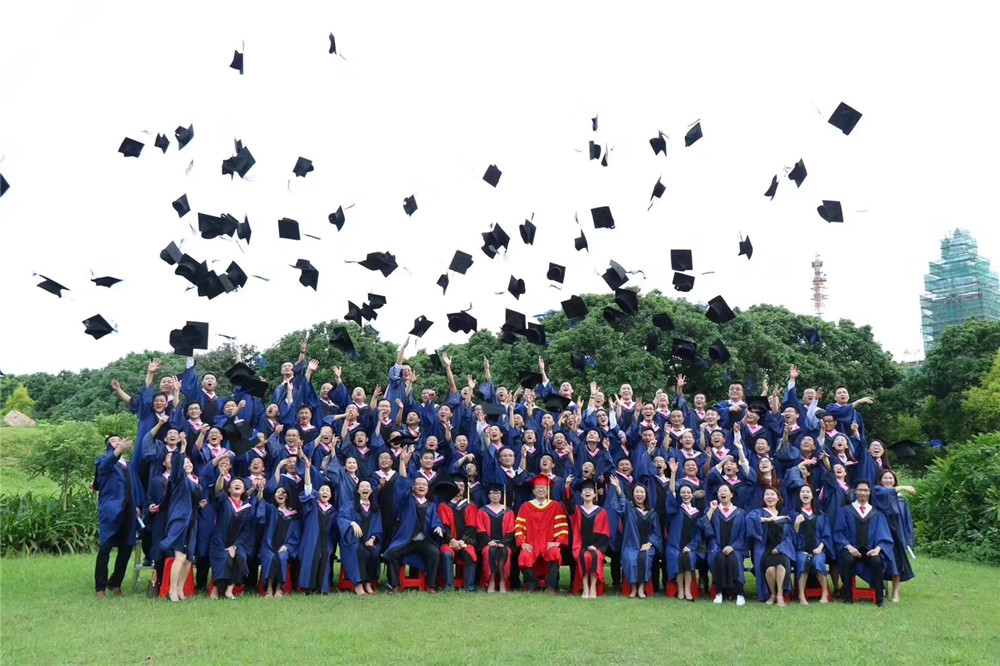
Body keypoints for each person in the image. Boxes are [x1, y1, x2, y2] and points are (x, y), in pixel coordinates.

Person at [383, 447, 445, 593]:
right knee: (392, 553)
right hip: (407, 540)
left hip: (424, 540)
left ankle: (431, 585)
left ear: (428, 488)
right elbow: (403, 482)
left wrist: (437, 526)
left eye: (424, 485)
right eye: (418, 485)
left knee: (435, 552)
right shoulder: (407, 499)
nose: (422, 487)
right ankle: (395, 585)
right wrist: (403, 463)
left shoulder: (430, 505)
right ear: (413, 487)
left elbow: (436, 519)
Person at [833, 480, 895, 606]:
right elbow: (838, 533)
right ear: (855, 491)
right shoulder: (845, 511)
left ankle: (880, 599)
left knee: (877, 561)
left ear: (869, 492)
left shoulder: (877, 514)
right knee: (847, 560)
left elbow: (884, 536)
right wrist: (848, 547)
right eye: (860, 490)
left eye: (865, 490)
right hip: (851, 549)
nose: (863, 492)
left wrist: (877, 549)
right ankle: (848, 597)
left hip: (870, 550)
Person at [94, 435, 142, 598]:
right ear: (107, 446)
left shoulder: (128, 465)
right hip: (111, 510)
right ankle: (100, 587)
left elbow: (135, 486)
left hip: (129, 510)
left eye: (119, 440)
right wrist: (118, 450)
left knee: (127, 547)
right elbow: (106, 463)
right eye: (113, 441)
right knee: (105, 548)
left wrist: (137, 505)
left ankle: (115, 583)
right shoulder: (103, 462)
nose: (117, 442)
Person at [609, 478, 662, 599]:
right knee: (631, 559)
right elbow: (621, 502)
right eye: (637, 492)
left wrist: (650, 543)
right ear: (633, 494)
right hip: (631, 545)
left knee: (644, 558)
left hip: (647, 545)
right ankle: (633, 588)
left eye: (642, 492)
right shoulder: (630, 509)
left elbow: (656, 532)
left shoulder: (652, 513)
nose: (639, 494)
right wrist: (617, 487)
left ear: (646, 495)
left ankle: (641, 588)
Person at [515, 475, 569, 593]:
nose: (541, 490)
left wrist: (557, 543)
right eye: (538, 488)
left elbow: (562, 527)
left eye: (543, 487)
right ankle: (532, 584)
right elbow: (519, 527)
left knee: (555, 553)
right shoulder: (526, 507)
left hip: (549, 543)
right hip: (531, 544)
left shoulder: (555, 506)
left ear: (548, 489)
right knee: (524, 556)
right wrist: (522, 543)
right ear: (533, 491)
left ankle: (551, 586)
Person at [871, 469, 917, 602]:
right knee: (880, 561)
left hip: (897, 533)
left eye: (890, 478)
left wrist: (908, 539)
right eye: (885, 478)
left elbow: (906, 520)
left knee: (897, 563)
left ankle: (895, 593)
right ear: (880, 480)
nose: (888, 481)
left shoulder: (902, 500)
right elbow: (884, 493)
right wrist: (903, 487)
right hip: (880, 532)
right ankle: (881, 589)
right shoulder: (877, 491)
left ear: (894, 480)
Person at [162, 444, 200, 602]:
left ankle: (180, 589)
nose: (188, 464)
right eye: (185, 463)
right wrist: (183, 447)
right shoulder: (178, 478)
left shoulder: (195, 480)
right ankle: (171, 591)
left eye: (190, 462)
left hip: (192, 521)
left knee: (188, 558)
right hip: (180, 519)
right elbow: (177, 462)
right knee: (179, 556)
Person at [664, 459, 706, 601]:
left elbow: (698, 534)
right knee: (677, 558)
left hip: (691, 546)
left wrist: (691, 546)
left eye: (688, 492)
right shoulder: (676, 509)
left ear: (692, 494)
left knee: (688, 559)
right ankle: (680, 590)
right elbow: (671, 493)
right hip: (675, 545)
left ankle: (687, 590)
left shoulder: (697, 512)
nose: (686, 494)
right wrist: (674, 473)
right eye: (683, 492)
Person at [210, 473, 256, 600]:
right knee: (224, 558)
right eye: (234, 483)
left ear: (243, 490)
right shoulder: (225, 501)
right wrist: (221, 476)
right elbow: (218, 490)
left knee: (240, 556)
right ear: (228, 489)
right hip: (220, 541)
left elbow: (247, 531)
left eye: (240, 484)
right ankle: (215, 588)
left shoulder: (247, 508)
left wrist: (235, 546)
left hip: (239, 542)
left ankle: (229, 590)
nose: (237, 485)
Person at [565, 478, 612, 599]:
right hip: (580, 546)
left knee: (594, 555)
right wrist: (567, 488)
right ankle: (585, 586)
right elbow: (569, 505)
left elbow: (605, 533)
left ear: (595, 494)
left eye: (590, 490)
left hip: (596, 546)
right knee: (584, 556)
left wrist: (596, 546)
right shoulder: (577, 510)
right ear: (580, 494)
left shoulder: (601, 512)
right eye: (585, 490)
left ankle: (593, 587)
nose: (587, 492)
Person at [747, 488, 795, 606]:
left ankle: (780, 595)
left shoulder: (784, 517)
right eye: (767, 494)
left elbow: (789, 537)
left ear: (778, 498)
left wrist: (780, 548)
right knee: (770, 570)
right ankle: (772, 595)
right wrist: (766, 520)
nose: (770, 497)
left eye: (773, 494)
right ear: (763, 498)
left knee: (781, 566)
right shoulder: (758, 512)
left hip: (781, 550)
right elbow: (749, 519)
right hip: (765, 550)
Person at [297, 461, 338, 595]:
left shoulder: (333, 510)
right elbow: (308, 488)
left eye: (327, 491)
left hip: (326, 541)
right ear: (318, 493)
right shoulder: (312, 504)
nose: (325, 492)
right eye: (322, 490)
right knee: (312, 559)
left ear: (331, 495)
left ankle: (322, 588)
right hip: (312, 539)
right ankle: (309, 588)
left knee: (324, 560)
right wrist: (307, 470)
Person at [337, 479, 383, 595]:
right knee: (361, 552)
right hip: (353, 542)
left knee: (374, 552)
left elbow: (378, 527)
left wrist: (372, 539)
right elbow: (341, 518)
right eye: (362, 487)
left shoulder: (375, 509)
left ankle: (368, 584)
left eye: (368, 487)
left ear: (372, 491)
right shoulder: (349, 506)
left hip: (368, 541)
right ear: (358, 490)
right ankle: (358, 585)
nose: (365, 489)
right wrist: (352, 523)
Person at [705, 485, 747, 605]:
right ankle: (719, 593)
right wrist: (711, 510)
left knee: (734, 559)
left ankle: (739, 593)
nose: (723, 493)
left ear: (731, 495)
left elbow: (743, 534)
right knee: (719, 558)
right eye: (720, 491)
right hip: (717, 546)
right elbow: (704, 526)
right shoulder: (714, 511)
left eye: (725, 491)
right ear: (717, 495)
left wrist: (733, 546)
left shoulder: (740, 512)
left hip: (735, 548)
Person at [256, 485, 300, 599]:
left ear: (287, 496)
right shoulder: (270, 509)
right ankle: (269, 588)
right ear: (274, 496)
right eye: (278, 492)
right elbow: (260, 501)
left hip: (284, 546)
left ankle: (279, 588)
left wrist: (288, 546)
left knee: (282, 557)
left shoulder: (293, 514)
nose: (281, 494)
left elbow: (296, 535)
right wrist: (261, 490)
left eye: (284, 492)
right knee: (270, 557)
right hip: (269, 545)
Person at [437, 475, 479, 592]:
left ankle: (469, 587)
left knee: (471, 555)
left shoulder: (471, 506)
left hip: (465, 542)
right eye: (457, 486)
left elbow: (472, 526)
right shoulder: (444, 506)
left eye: (462, 486)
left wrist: (462, 541)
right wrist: (452, 540)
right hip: (449, 541)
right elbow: (443, 526)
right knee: (447, 554)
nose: (459, 488)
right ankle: (449, 586)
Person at [792, 485, 832, 604]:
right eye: (802, 492)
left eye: (808, 492)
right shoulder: (794, 514)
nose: (805, 494)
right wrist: (796, 524)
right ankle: (801, 595)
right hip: (801, 549)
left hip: (818, 549)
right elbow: (791, 535)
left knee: (818, 562)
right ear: (799, 496)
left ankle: (825, 593)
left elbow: (826, 534)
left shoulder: (821, 515)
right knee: (803, 561)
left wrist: (820, 548)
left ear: (812, 495)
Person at [477, 483, 516, 593]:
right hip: (488, 543)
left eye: (498, 493)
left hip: (505, 543)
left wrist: (503, 542)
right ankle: (491, 581)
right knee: (490, 552)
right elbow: (480, 529)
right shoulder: (482, 511)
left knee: (504, 552)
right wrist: (489, 541)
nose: (495, 495)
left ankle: (503, 580)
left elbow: (511, 530)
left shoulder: (508, 511)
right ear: (488, 495)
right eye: (492, 493)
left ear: (501, 495)